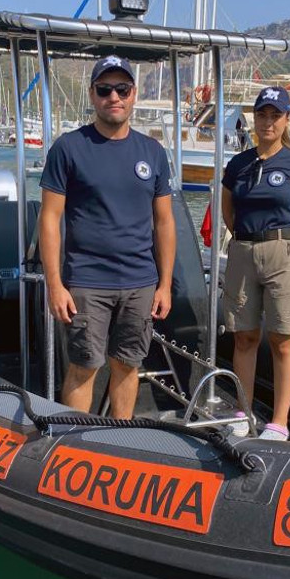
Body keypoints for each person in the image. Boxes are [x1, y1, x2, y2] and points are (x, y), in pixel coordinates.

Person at [39, 54, 176, 418]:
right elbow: (50, 219)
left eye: (122, 89)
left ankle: (121, 439)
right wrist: (55, 285)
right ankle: (74, 443)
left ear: (133, 95)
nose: (114, 97)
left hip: (140, 282)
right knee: (84, 366)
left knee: (127, 365)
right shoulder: (68, 148)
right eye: (105, 89)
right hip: (86, 282)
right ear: (92, 94)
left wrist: (164, 285)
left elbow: (164, 222)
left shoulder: (153, 152)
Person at [221, 85, 290, 441]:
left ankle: (278, 422)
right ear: (254, 119)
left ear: (286, 120)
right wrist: (246, 240)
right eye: (262, 114)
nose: (267, 121)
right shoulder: (239, 164)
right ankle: (243, 411)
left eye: (275, 115)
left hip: (283, 252)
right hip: (244, 250)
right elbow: (228, 209)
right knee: (244, 337)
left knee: (283, 340)